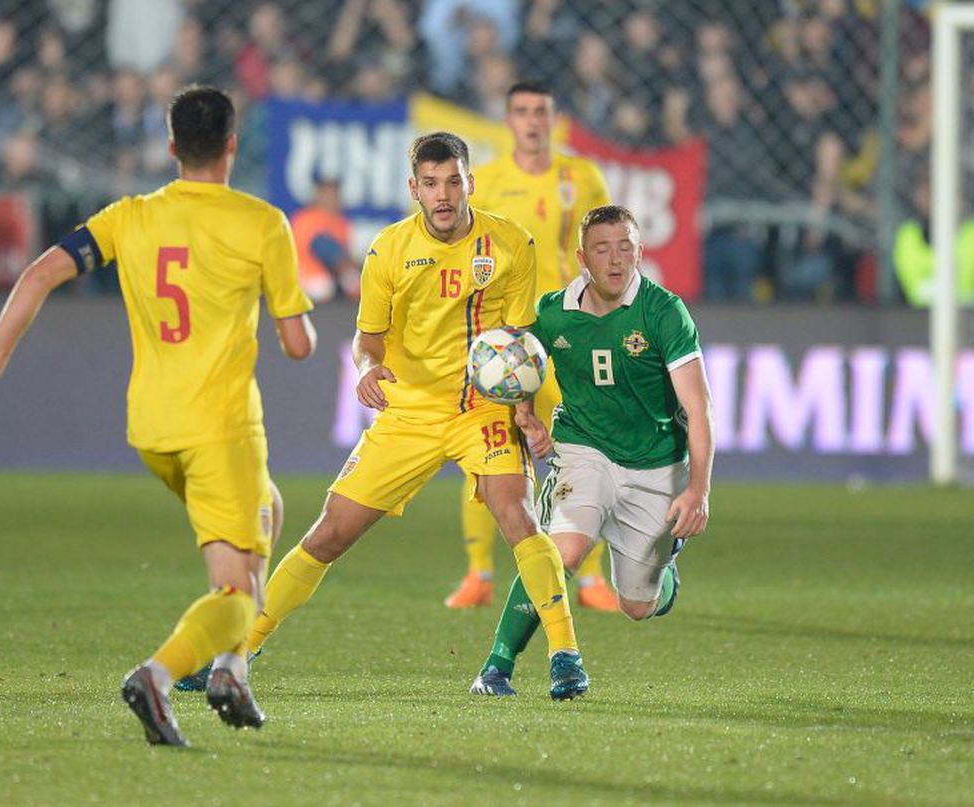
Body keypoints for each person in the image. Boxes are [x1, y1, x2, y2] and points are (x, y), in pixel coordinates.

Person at [0, 86, 316, 746]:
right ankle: (159, 674)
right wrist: (290, 314)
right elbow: (297, 343)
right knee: (240, 597)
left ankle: (230, 671)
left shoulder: (131, 214)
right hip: (221, 428)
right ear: (232, 145)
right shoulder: (261, 222)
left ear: (170, 147)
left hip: (152, 427)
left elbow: (39, 272)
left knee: (269, 509)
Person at [244, 131, 591, 700]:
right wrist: (366, 368)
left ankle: (565, 656)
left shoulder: (510, 244)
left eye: (453, 181)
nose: (444, 195)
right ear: (414, 189)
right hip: (408, 411)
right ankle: (241, 648)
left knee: (517, 513)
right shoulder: (389, 250)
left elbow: (517, 340)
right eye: (431, 184)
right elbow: (367, 339)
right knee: (330, 532)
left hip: (480, 409)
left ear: (469, 182)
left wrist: (524, 412)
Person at [470, 204, 714, 697]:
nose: (616, 259)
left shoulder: (664, 312)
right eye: (603, 249)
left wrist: (698, 490)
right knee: (563, 550)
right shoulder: (553, 313)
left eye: (626, 247)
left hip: (656, 463)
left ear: (641, 251)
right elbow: (516, 368)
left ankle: (664, 567)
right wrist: (527, 417)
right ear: (583, 257)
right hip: (583, 447)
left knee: (637, 605)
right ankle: (497, 666)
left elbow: (699, 407)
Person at [444, 80, 613, 610]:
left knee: (590, 452)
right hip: (506, 340)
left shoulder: (581, 176)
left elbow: (607, 247)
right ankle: (479, 572)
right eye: (521, 111)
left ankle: (590, 579)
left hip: (568, 331)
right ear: (508, 120)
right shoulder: (487, 181)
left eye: (541, 110)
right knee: (488, 449)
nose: (533, 120)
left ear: (554, 117)